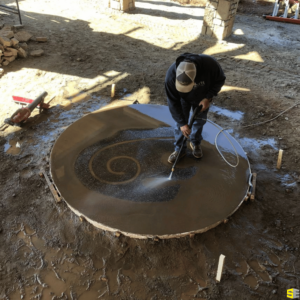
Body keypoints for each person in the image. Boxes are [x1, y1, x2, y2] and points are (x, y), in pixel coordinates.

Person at [165, 53, 226, 163]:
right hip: (182, 99)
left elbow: (220, 79)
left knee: (199, 122)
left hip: (202, 97)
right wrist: (182, 124)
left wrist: (208, 97)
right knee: (180, 126)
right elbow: (173, 102)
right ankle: (180, 150)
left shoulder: (210, 65)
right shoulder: (171, 76)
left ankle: (195, 143)